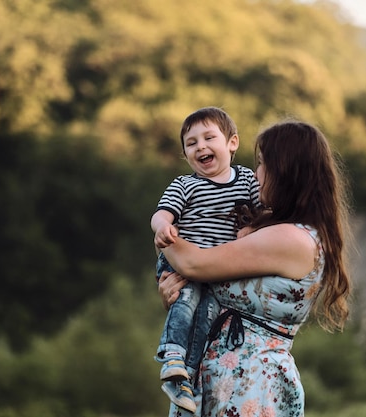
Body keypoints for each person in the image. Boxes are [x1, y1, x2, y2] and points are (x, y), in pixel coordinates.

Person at [158, 119, 352, 417]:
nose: (255, 173)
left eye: (262, 164)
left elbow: (193, 263)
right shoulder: (282, 231)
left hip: (249, 386)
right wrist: (178, 295)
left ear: (285, 171)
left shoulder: (290, 238)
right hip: (225, 380)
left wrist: (163, 226)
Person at [151, 107, 261, 413]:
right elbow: (162, 213)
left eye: (209, 137)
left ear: (232, 143)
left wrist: (252, 227)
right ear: (186, 154)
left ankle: (186, 377)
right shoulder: (186, 185)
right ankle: (171, 354)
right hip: (184, 262)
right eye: (191, 143)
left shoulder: (247, 181)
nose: (200, 146)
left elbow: (263, 213)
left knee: (207, 317)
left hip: (217, 271)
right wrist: (162, 226)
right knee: (185, 299)